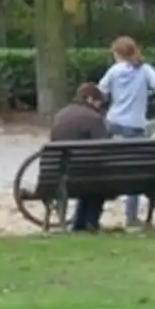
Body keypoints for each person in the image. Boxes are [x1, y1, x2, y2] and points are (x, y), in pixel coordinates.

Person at [97, 36, 155, 229]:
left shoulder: (114, 71)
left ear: (117, 54)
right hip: (135, 126)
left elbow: (100, 91)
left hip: (113, 123)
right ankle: (131, 216)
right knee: (135, 170)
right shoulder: (145, 70)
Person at [48, 82, 111, 232]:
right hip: (87, 176)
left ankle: (80, 223)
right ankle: (90, 221)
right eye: (98, 103)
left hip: (61, 176)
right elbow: (105, 147)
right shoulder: (94, 118)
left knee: (89, 177)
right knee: (98, 179)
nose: (99, 107)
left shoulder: (61, 114)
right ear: (89, 99)